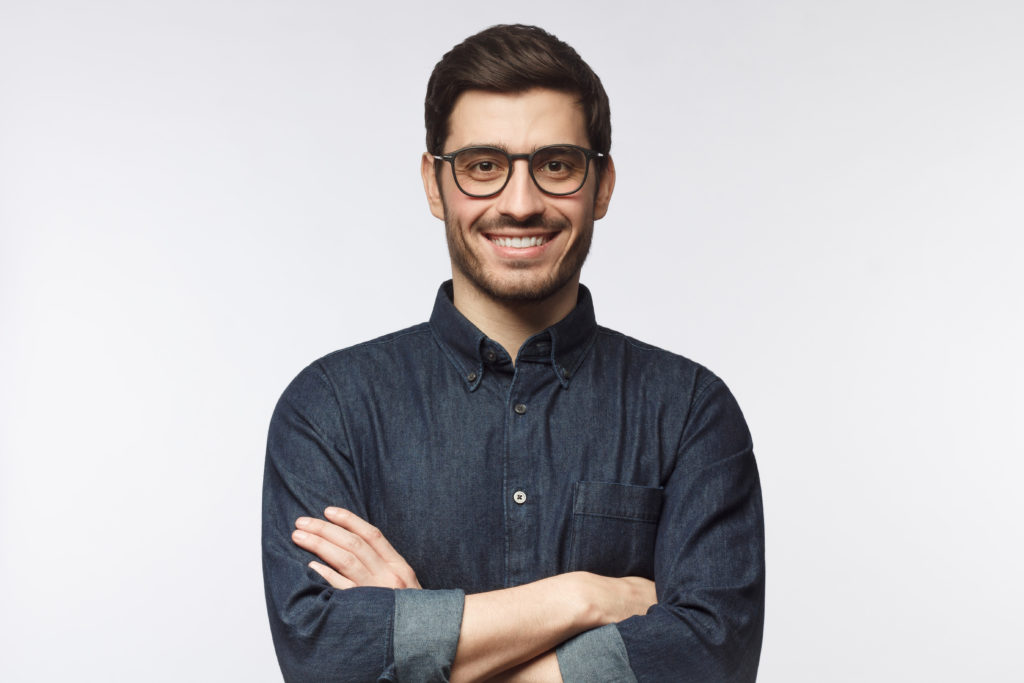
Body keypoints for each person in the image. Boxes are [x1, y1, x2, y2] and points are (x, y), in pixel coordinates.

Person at [262, 24, 765, 683]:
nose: (521, 203)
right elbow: (325, 658)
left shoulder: (691, 410)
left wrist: (422, 644)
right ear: (434, 184)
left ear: (602, 183)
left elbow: (710, 657)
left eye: (556, 165)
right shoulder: (330, 409)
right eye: (482, 166)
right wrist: (582, 596)